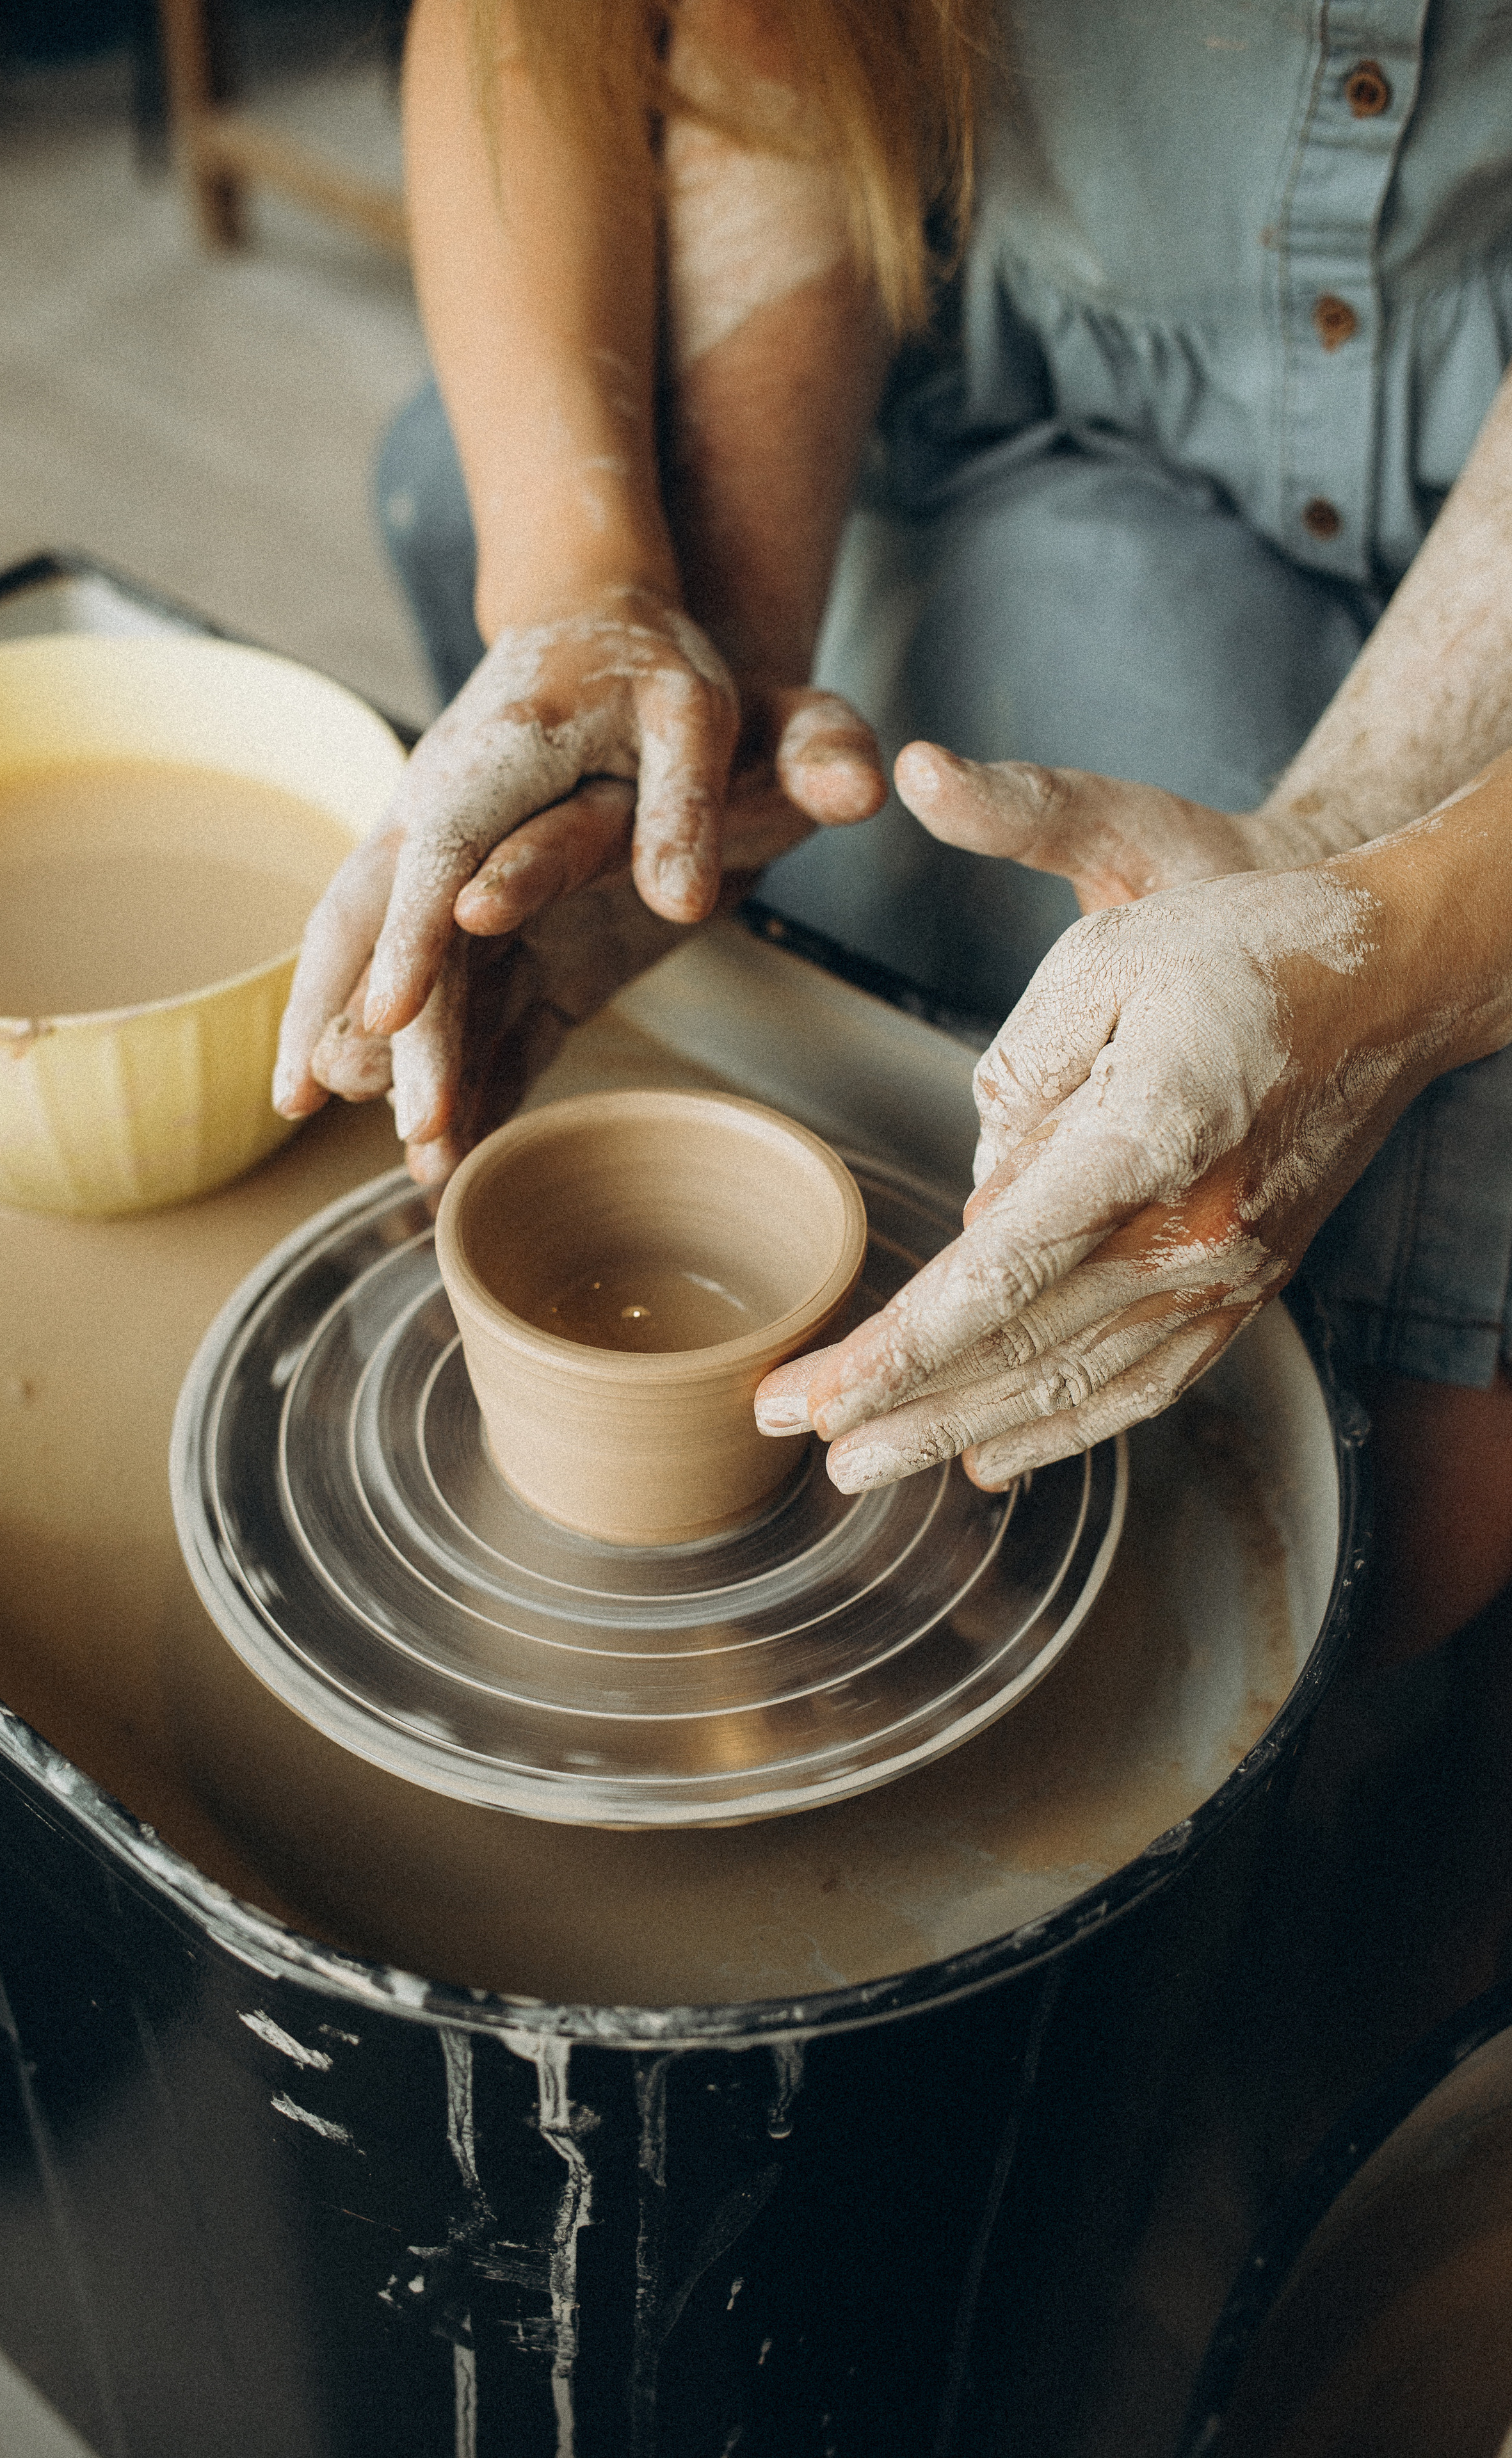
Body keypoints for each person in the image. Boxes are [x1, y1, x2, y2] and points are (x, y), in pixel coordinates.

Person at [272, 0, 1512, 1662]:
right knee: (474, 500)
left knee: (1402, 1522)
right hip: (1024, 356)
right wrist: (631, 598)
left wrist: (1387, 915)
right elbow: (707, 30)